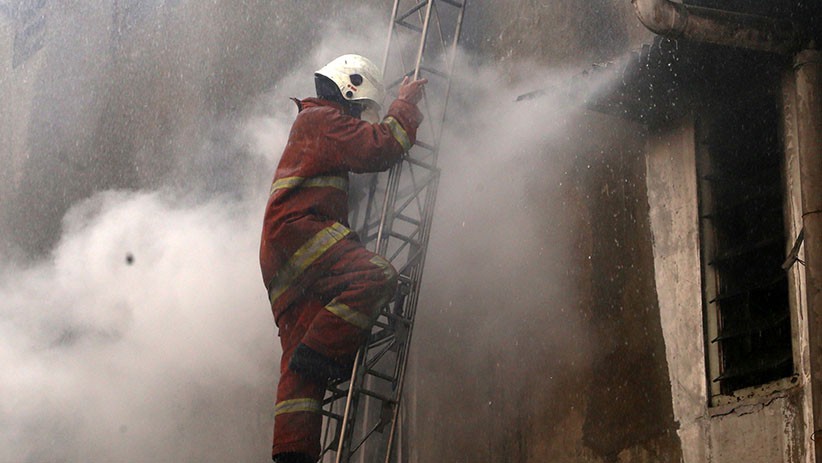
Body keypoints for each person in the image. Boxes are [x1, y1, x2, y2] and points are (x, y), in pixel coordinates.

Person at [259, 54, 427, 463]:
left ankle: (292, 454)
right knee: (376, 275)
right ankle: (322, 354)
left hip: (283, 254)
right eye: (358, 108)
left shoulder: (313, 127)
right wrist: (403, 105)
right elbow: (380, 147)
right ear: (350, 90)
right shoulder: (321, 120)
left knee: (298, 368)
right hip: (303, 235)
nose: (357, 116)